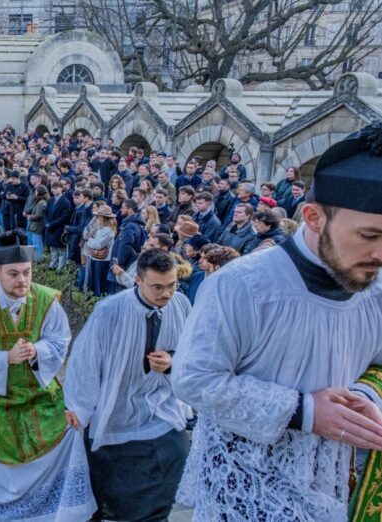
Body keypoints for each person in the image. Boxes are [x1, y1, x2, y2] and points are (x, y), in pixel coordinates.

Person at [172, 122, 382, 521]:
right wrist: (303, 411)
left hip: (333, 485)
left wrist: (366, 400)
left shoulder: (377, 288)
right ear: (313, 216)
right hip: (243, 491)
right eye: (368, 235)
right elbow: (194, 379)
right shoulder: (243, 285)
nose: (380, 254)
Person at [0, 232, 95, 521]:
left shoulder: (46, 300)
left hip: (37, 392)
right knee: (0, 466)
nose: (22, 281)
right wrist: (6, 358)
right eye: (13, 274)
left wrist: (37, 350)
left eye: (27, 273)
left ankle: (47, 511)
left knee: (69, 432)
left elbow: (60, 339)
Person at [65, 249, 191, 521]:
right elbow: (86, 361)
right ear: (138, 281)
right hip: (117, 407)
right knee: (112, 481)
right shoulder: (109, 311)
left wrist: (173, 361)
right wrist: (79, 408)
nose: (166, 294)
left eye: (172, 285)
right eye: (157, 287)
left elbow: (192, 352)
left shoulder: (181, 304)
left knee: (172, 459)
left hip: (159, 405)